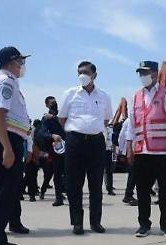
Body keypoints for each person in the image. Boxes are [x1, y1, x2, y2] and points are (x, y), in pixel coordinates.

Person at [126, 61, 166, 238]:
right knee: (142, 191)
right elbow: (131, 124)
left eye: (145, 72)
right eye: (140, 73)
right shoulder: (135, 96)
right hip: (142, 152)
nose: (142, 76)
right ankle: (144, 225)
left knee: (165, 192)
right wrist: (129, 146)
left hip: (162, 152)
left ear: (155, 74)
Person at [58, 61, 113, 235]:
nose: (82, 75)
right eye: (79, 72)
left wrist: (92, 128)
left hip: (96, 142)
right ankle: (77, 222)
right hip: (75, 141)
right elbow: (62, 118)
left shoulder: (104, 96)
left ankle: (95, 222)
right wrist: (77, 130)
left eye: (86, 72)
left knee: (96, 183)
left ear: (94, 75)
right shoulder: (70, 94)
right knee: (74, 184)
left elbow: (106, 120)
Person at [0, 46, 31, 245]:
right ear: (11, 63)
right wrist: (8, 149)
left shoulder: (10, 82)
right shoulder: (6, 81)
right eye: (20, 61)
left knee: (2, 194)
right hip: (7, 140)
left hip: (11, 139)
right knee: (4, 194)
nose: (22, 65)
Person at [37, 96, 66, 206]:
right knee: (55, 173)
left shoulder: (61, 115)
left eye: (55, 102)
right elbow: (42, 133)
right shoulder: (46, 118)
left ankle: (68, 193)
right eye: (52, 103)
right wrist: (52, 136)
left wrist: (54, 117)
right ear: (47, 105)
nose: (54, 104)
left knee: (69, 172)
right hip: (56, 148)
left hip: (69, 146)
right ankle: (58, 197)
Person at [119, 118, 138, 206]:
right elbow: (122, 137)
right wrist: (122, 152)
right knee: (133, 174)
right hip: (132, 150)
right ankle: (128, 195)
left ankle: (129, 194)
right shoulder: (129, 121)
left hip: (136, 150)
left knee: (134, 174)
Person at [104, 123, 116, 196]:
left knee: (109, 171)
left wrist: (114, 151)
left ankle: (109, 188)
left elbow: (113, 141)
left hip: (108, 150)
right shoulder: (98, 128)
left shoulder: (110, 129)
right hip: (99, 150)